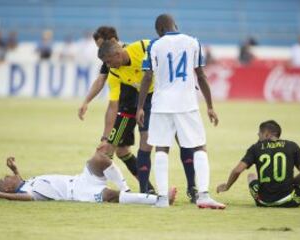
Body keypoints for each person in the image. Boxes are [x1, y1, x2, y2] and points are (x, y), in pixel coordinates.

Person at [136, 14, 225, 209]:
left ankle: (161, 199)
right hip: (187, 104)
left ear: (159, 30)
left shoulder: (154, 45)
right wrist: (210, 106)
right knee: (199, 146)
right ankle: (203, 195)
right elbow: (201, 76)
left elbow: (147, 77)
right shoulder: (193, 42)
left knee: (161, 148)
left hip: (161, 105)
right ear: (175, 25)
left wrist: (140, 107)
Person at [98, 38, 198, 200]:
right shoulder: (115, 73)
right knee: (145, 140)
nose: (108, 66)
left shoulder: (144, 46)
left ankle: (192, 188)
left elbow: (168, 54)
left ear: (117, 54)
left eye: (109, 61)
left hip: (168, 94)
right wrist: (105, 136)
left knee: (182, 139)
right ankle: (145, 191)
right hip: (146, 100)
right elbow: (113, 105)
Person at [77, 26, 154, 194]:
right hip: (129, 106)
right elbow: (101, 81)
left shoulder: (122, 57)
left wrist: (105, 136)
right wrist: (86, 101)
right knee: (122, 150)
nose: (100, 51)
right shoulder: (111, 62)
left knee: (108, 149)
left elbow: (110, 98)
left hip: (129, 108)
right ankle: (147, 189)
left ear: (113, 42)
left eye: (101, 45)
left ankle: (96, 189)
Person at [0, 155, 177, 205]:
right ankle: (161, 199)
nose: (7, 177)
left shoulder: (24, 183)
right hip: (78, 193)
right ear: (8, 189)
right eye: (4, 180)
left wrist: (15, 169)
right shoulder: (26, 193)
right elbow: (24, 196)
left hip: (80, 179)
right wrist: (0, 194)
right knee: (111, 195)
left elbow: (20, 181)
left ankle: (127, 189)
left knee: (99, 158)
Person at [217, 120, 300, 208]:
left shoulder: (255, 148)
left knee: (251, 176)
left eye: (259, 134)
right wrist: (291, 182)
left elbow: (237, 170)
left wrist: (227, 186)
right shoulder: (292, 146)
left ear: (266, 134)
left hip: (263, 201)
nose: (258, 137)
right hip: (288, 201)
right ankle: (297, 198)